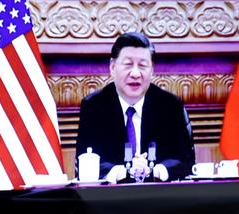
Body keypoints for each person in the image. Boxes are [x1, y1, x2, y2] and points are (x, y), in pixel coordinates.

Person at [75, 32, 195, 183]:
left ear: (152, 70)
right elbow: (85, 161)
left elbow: (185, 160)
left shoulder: (170, 106)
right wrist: (125, 172)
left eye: (143, 65)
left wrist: (154, 171)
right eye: (128, 64)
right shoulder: (94, 106)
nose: (136, 73)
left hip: (161, 198)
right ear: (112, 67)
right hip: (110, 200)